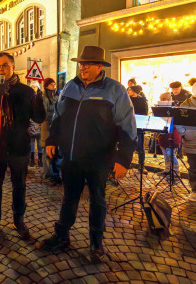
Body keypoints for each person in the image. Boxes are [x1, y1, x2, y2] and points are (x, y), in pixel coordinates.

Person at [40, 46, 137, 263]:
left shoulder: (115, 90)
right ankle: (61, 235)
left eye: (87, 63)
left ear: (99, 66)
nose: (82, 67)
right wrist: (52, 139)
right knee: (69, 198)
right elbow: (57, 117)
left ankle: (96, 243)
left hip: (99, 159)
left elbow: (128, 127)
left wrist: (123, 159)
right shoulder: (69, 87)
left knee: (98, 201)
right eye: (81, 63)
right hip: (71, 157)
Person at [0, 52, 46, 242]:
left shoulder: (26, 91)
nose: (1, 69)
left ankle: (19, 221)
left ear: (13, 67)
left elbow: (39, 118)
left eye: (5, 65)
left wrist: (39, 100)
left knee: (19, 186)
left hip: (19, 147)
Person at [41, 77, 62, 184]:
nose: (54, 86)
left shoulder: (55, 96)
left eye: (54, 84)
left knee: (55, 151)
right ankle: (48, 175)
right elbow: (43, 114)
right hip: (46, 128)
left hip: (54, 127)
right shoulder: (44, 98)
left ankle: (55, 174)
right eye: (51, 84)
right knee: (47, 152)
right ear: (46, 86)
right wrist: (53, 116)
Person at [156, 92, 181, 176]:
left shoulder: (174, 108)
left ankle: (176, 171)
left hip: (172, 133)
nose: (163, 101)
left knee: (170, 153)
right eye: (162, 99)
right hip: (163, 134)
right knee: (165, 153)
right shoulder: (159, 108)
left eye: (165, 99)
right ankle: (167, 169)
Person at [28, 81, 43, 167]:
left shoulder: (41, 97)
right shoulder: (28, 97)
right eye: (32, 86)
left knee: (40, 143)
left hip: (39, 122)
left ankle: (40, 160)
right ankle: (32, 160)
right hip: (31, 122)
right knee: (31, 142)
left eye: (35, 86)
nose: (34, 88)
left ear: (38, 87)